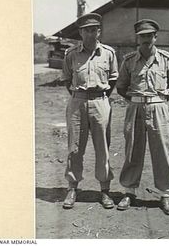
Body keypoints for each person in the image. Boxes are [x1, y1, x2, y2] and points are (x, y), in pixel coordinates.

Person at [116, 19, 169, 215]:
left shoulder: (166, 59)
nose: (146, 39)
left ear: (155, 36)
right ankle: (129, 191)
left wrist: (160, 101)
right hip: (135, 107)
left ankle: (165, 195)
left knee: (161, 150)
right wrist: (135, 100)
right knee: (132, 149)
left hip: (158, 106)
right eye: (142, 35)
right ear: (138, 38)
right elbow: (121, 86)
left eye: (149, 35)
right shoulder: (129, 61)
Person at [61, 13, 118, 209]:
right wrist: (81, 97)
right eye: (87, 30)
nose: (91, 33)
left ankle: (104, 190)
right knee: (75, 147)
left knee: (102, 146)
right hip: (77, 102)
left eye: (94, 29)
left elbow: (112, 80)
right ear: (80, 32)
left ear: (99, 31)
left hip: (100, 101)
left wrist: (99, 98)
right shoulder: (71, 54)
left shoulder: (109, 53)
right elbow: (67, 80)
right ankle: (72, 188)